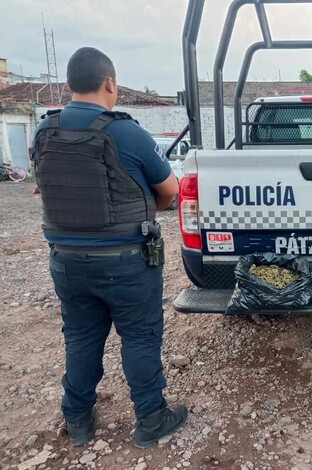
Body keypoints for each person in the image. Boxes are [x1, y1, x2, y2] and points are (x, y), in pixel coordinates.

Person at [32, 47, 187, 448]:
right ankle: (151, 419)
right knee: (139, 337)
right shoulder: (126, 132)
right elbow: (169, 192)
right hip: (126, 262)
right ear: (110, 83)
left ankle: (79, 421)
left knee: (81, 338)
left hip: (65, 262)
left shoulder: (44, 130)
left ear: (68, 86)